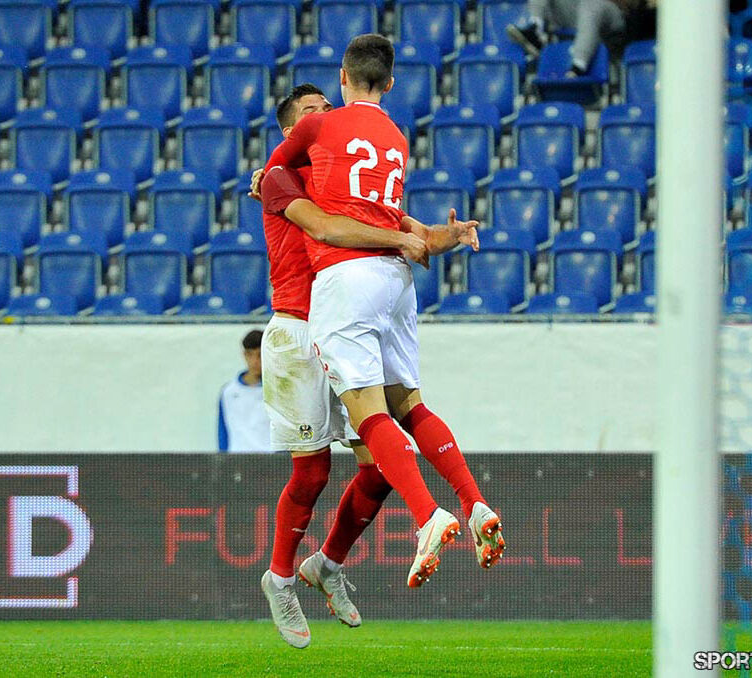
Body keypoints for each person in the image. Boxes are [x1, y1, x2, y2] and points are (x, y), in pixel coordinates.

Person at [272, 34, 505, 596]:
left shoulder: (319, 131)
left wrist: (265, 178)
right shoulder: (396, 136)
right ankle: (473, 503)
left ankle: (428, 516)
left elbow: (279, 175)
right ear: (392, 84)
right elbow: (398, 221)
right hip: (397, 283)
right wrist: (438, 236)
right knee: (409, 402)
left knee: (369, 412)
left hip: (346, 280)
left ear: (343, 79)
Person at [253, 83, 480, 649]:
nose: (325, 119)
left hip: (350, 322)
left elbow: (409, 231)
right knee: (312, 473)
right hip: (302, 329)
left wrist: (442, 236)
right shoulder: (279, 179)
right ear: (290, 133)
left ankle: (327, 565)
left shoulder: (345, 183)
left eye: (328, 110)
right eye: (312, 114)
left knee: (379, 466)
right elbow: (337, 232)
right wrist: (400, 240)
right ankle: (280, 577)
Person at [507, 0, 643, 75]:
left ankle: (578, 65)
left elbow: (635, 4)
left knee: (592, 5)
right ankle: (535, 29)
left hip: (611, 13)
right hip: (577, 11)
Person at [217, 329, 277, 453]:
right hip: (237, 461)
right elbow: (223, 433)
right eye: (250, 354)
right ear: (244, 355)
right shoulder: (228, 392)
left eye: (260, 355)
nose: (255, 361)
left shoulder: (279, 390)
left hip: (271, 461)